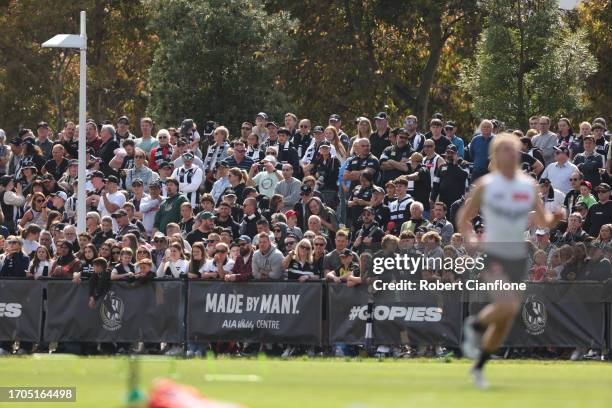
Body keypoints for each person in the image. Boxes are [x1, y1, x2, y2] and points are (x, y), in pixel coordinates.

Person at [458, 133, 563, 389]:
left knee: (506, 317)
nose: (511, 153)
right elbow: (464, 217)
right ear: (495, 154)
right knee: (507, 305)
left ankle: (479, 367)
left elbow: (543, 221)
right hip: (493, 253)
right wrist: (470, 238)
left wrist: (556, 217)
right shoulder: (486, 184)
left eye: (514, 149)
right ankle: (474, 325)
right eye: (505, 149)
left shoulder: (528, 185)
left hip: (518, 257)